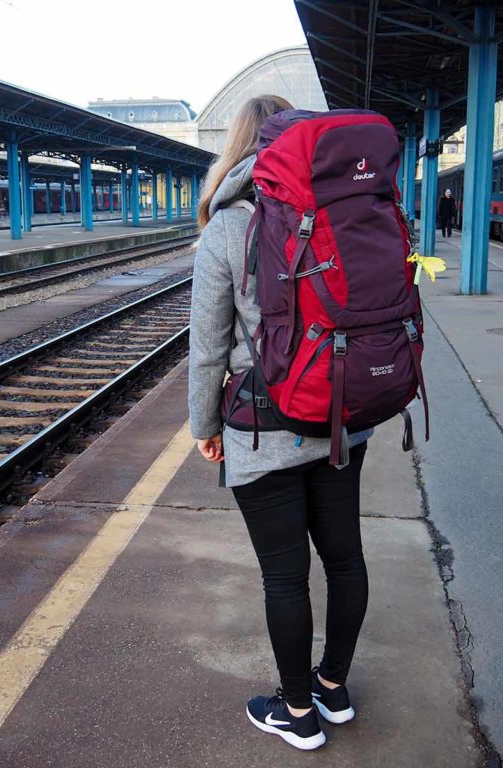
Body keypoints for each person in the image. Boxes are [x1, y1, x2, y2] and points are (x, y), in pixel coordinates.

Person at [189, 95, 372, 752]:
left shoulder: (227, 227)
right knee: (346, 558)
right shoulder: (345, 210)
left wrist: (203, 424)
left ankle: (296, 713)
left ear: (237, 147)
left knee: (284, 575)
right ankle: (333, 688)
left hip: (264, 426)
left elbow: (209, 346)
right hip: (344, 417)